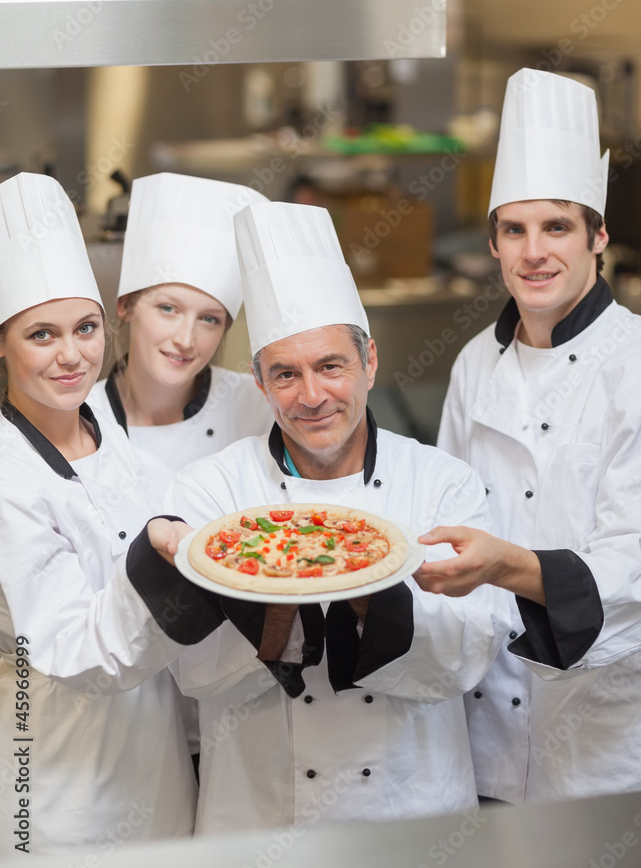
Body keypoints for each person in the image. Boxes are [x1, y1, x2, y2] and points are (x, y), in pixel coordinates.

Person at [127, 200, 513, 834]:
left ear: (370, 364)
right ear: (259, 383)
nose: (310, 396)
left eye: (331, 366)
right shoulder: (210, 487)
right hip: (261, 814)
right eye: (285, 374)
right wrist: (292, 588)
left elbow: (468, 657)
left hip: (412, 810)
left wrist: (356, 586)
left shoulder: (442, 482)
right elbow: (193, 672)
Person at [424, 68, 641, 804]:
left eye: (556, 227)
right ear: (493, 243)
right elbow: (447, 513)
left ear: (597, 235)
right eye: (514, 229)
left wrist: (504, 564)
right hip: (488, 723)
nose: (534, 252)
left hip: (610, 733)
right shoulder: (474, 363)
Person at [0, 173, 202, 853]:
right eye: (41, 335)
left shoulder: (104, 431)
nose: (72, 355)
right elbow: (73, 649)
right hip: (58, 779)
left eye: (85, 328)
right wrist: (165, 557)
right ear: (2, 343)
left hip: (157, 766)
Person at [88, 172, 273, 502]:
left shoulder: (261, 407)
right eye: (168, 309)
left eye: (209, 319)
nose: (186, 339)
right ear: (126, 306)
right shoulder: (81, 417)